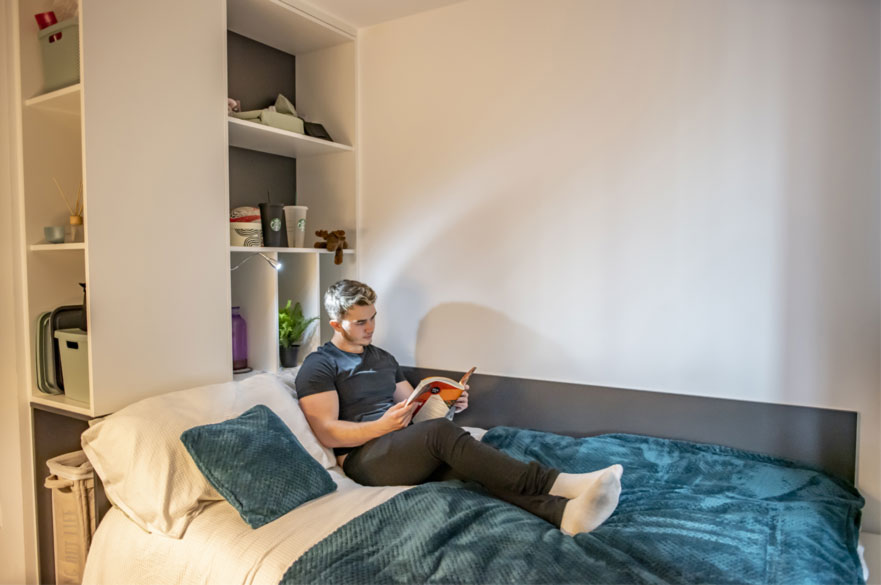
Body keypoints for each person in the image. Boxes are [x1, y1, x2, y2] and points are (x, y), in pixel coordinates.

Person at [295, 279, 622, 535]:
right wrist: (382, 426)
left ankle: (562, 514)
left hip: (402, 446)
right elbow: (326, 431)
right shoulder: (320, 365)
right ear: (337, 324)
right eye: (360, 322)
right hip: (362, 459)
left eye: (373, 318)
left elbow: (413, 405)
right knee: (441, 435)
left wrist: (447, 404)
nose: (370, 328)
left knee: (477, 466)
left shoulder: (382, 358)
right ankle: (558, 482)